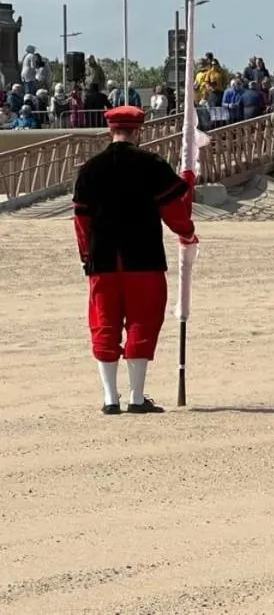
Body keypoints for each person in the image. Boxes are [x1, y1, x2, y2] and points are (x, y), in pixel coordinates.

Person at [72, 105, 198, 414]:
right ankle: (137, 397)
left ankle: (109, 398)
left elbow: (81, 220)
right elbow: (174, 211)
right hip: (144, 255)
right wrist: (187, 231)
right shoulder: (152, 164)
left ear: (110, 130)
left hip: (103, 258)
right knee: (143, 320)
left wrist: (87, 255)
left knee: (104, 322)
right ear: (138, 131)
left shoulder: (90, 168)